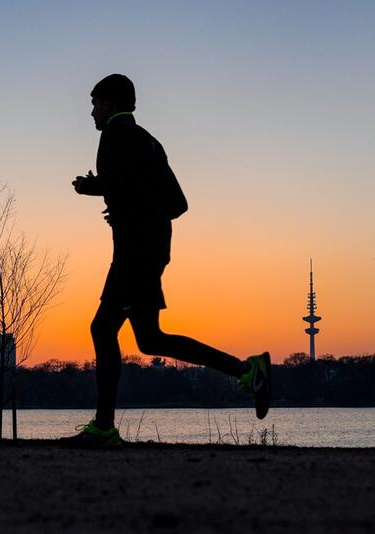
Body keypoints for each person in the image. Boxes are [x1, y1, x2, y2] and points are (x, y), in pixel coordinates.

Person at [64, 74, 271, 447]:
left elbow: (119, 184)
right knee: (150, 339)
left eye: (94, 104)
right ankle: (246, 370)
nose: (92, 113)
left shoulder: (113, 134)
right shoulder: (151, 142)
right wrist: (131, 210)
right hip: (153, 250)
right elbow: (177, 204)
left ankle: (104, 428)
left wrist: (91, 188)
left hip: (134, 253)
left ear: (110, 104)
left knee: (102, 329)